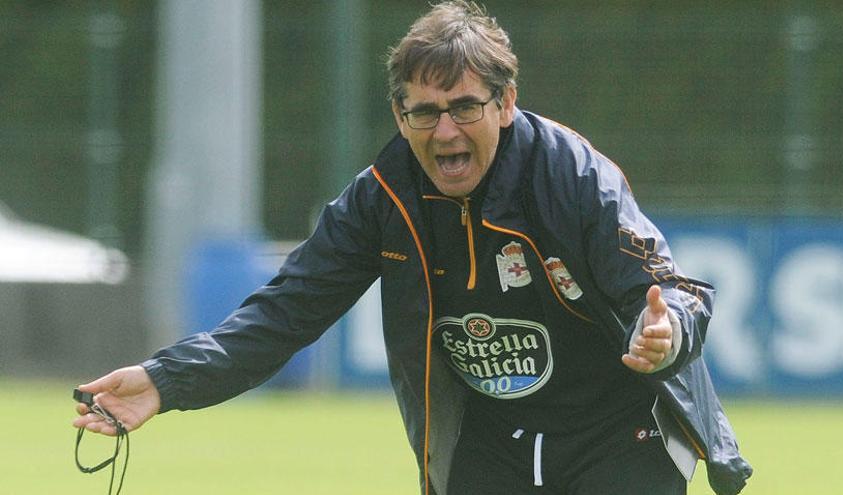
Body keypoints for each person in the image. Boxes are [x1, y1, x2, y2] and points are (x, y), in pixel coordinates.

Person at [73, 1, 752, 494]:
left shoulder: (570, 176)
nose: (445, 131)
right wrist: (167, 380)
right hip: (492, 438)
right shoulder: (381, 198)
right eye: (423, 112)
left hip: (618, 432)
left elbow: (675, 292)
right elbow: (283, 315)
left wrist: (665, 333)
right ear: (400, 116)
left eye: (464, 106)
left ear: (506, 102)